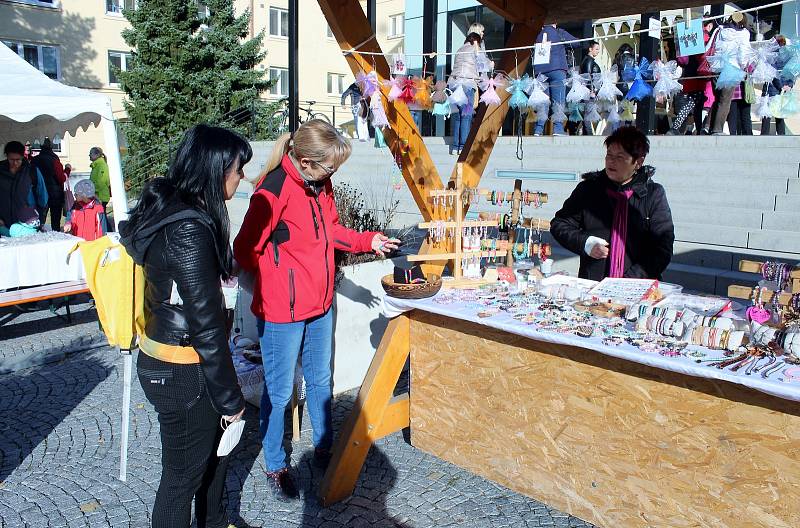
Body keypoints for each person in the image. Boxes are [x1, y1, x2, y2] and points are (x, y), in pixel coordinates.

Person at [233, 119, 399, 501]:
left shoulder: (320, 183)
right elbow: (245, 250)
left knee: (321, 379)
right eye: (329, 167)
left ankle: (324, 447)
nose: (333, 173)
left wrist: (367, 240)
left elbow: (332, 231)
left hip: (320, 304)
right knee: (279, 391)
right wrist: (278, 277)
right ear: (306, 161)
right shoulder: (270, 191)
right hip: (282, 312)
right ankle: (275, 462)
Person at [119, 125, 249, 528]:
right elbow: (206, 329)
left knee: (213, 460)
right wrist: (232, 401)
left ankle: (216, 522)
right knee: (181, 479)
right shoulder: (188, 228)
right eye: (237, 168)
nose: (241, 176)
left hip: (174, 358)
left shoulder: (178, 213)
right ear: (214, 169)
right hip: (182, 367)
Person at [551, 126, 674, 281]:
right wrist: (585, 243)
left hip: (638, 286)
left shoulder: (653, 194)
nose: (611, 161)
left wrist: (631, 279)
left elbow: (663, 247)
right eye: (609, 155)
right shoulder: (589, 189)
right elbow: (560, 224)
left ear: (638, 162)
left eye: (620, 157)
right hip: (595, 284)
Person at [670, 20, 717, 135]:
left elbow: (682, 60)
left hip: (689, 76)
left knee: (697, 104)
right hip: (698, 77)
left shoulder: (688, 37)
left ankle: (699, 129)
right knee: (691, 103)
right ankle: (674, 128)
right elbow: (703, 56)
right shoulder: (704, 38)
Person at [533, 23, 579, 136]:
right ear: (555, 22)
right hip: (557, 69)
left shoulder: (538, 34)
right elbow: (576, 43)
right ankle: (558, 128)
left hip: (540, 71)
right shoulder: (559, 32)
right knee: (558, 100)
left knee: (543, 101)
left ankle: (538, 129)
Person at [710, 13, 752, 134]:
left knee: (717, 99)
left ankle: (708, 127)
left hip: (716, 67)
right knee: (725, 101)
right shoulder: (743, 33)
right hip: (732, 69)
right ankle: (717, 129)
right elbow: (744, 54)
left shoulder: (720, 30)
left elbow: (713, 47)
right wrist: (744, 67)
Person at [0, 140, 47, 236]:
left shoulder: (32, 172)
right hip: (2, 225)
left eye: (18, 159)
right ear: (6, 156)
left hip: (26, 226)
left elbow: (43, 198)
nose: (15, 163)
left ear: (23, 156)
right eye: (11, 160)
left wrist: (40, 220)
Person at [449, 31, 482, 154]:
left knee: (458, 115)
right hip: (467, 83)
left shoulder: (459, 50)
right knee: (467, 115)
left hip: (454, 83)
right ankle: (463, 146)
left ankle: (455, 146)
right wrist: (492, 64)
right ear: (476, 41)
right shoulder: (474, 49)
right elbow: (482, 63)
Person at [32, 138, 66, 230]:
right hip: (55, 193)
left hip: (39, 193)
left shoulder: (35, 160)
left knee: (39, 221)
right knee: (55, 221)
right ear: (51, 147)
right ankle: (56, 238)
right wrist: (67, 170)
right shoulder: (55, 160)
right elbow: (61, 178)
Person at [762, 35, 793, 135]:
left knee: (767, 114)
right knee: (779, 115)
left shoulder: (772, 55)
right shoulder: (787, 55)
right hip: (779, 88)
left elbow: (773, 73)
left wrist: (782, 86)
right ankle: (781, 136)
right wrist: (788, 85)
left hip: (772, 88)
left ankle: (765, 136)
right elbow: (791, 72)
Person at [580, 40, 602, 135]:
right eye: (596, 49)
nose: (598, 51)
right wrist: (591, 90)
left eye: (598, 49)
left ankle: (587, 133)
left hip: (589, 90)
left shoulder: (588, 60)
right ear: (590, 49)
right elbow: (588, 76)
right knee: (588, 114)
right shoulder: (589, 60)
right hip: (589, 91)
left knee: (588, 113)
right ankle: (589, 134)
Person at [89, 146, 111, 213]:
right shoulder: (95, 165)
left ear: (97, 154)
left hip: (101, 196)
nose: (89, 155)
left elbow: (103, 181)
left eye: (91, 153)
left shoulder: (101, 165)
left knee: (101, 217)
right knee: (100, 217)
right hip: (97, 195)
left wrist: (92, 190)